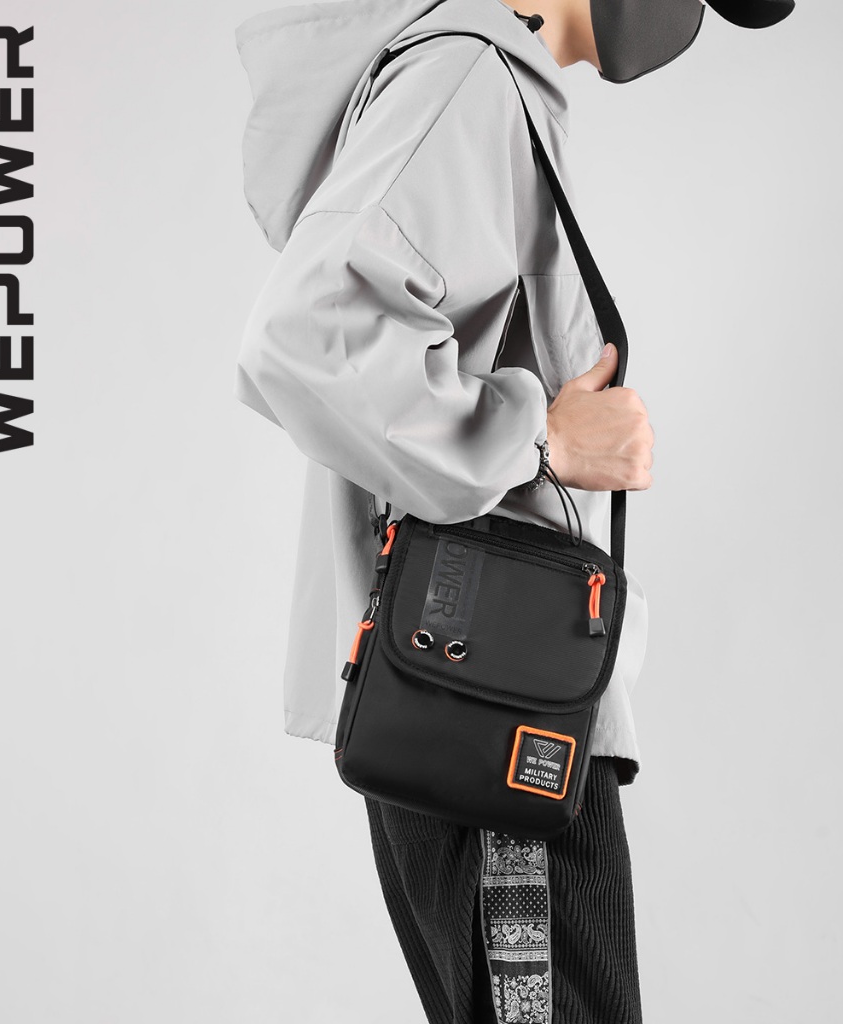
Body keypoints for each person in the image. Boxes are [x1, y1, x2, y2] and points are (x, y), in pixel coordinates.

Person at [233, 0, 794, 1020]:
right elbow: (305, 335)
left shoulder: (489, 80)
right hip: (490, 702)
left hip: (490, 688)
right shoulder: (466, 78)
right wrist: (540, 442)